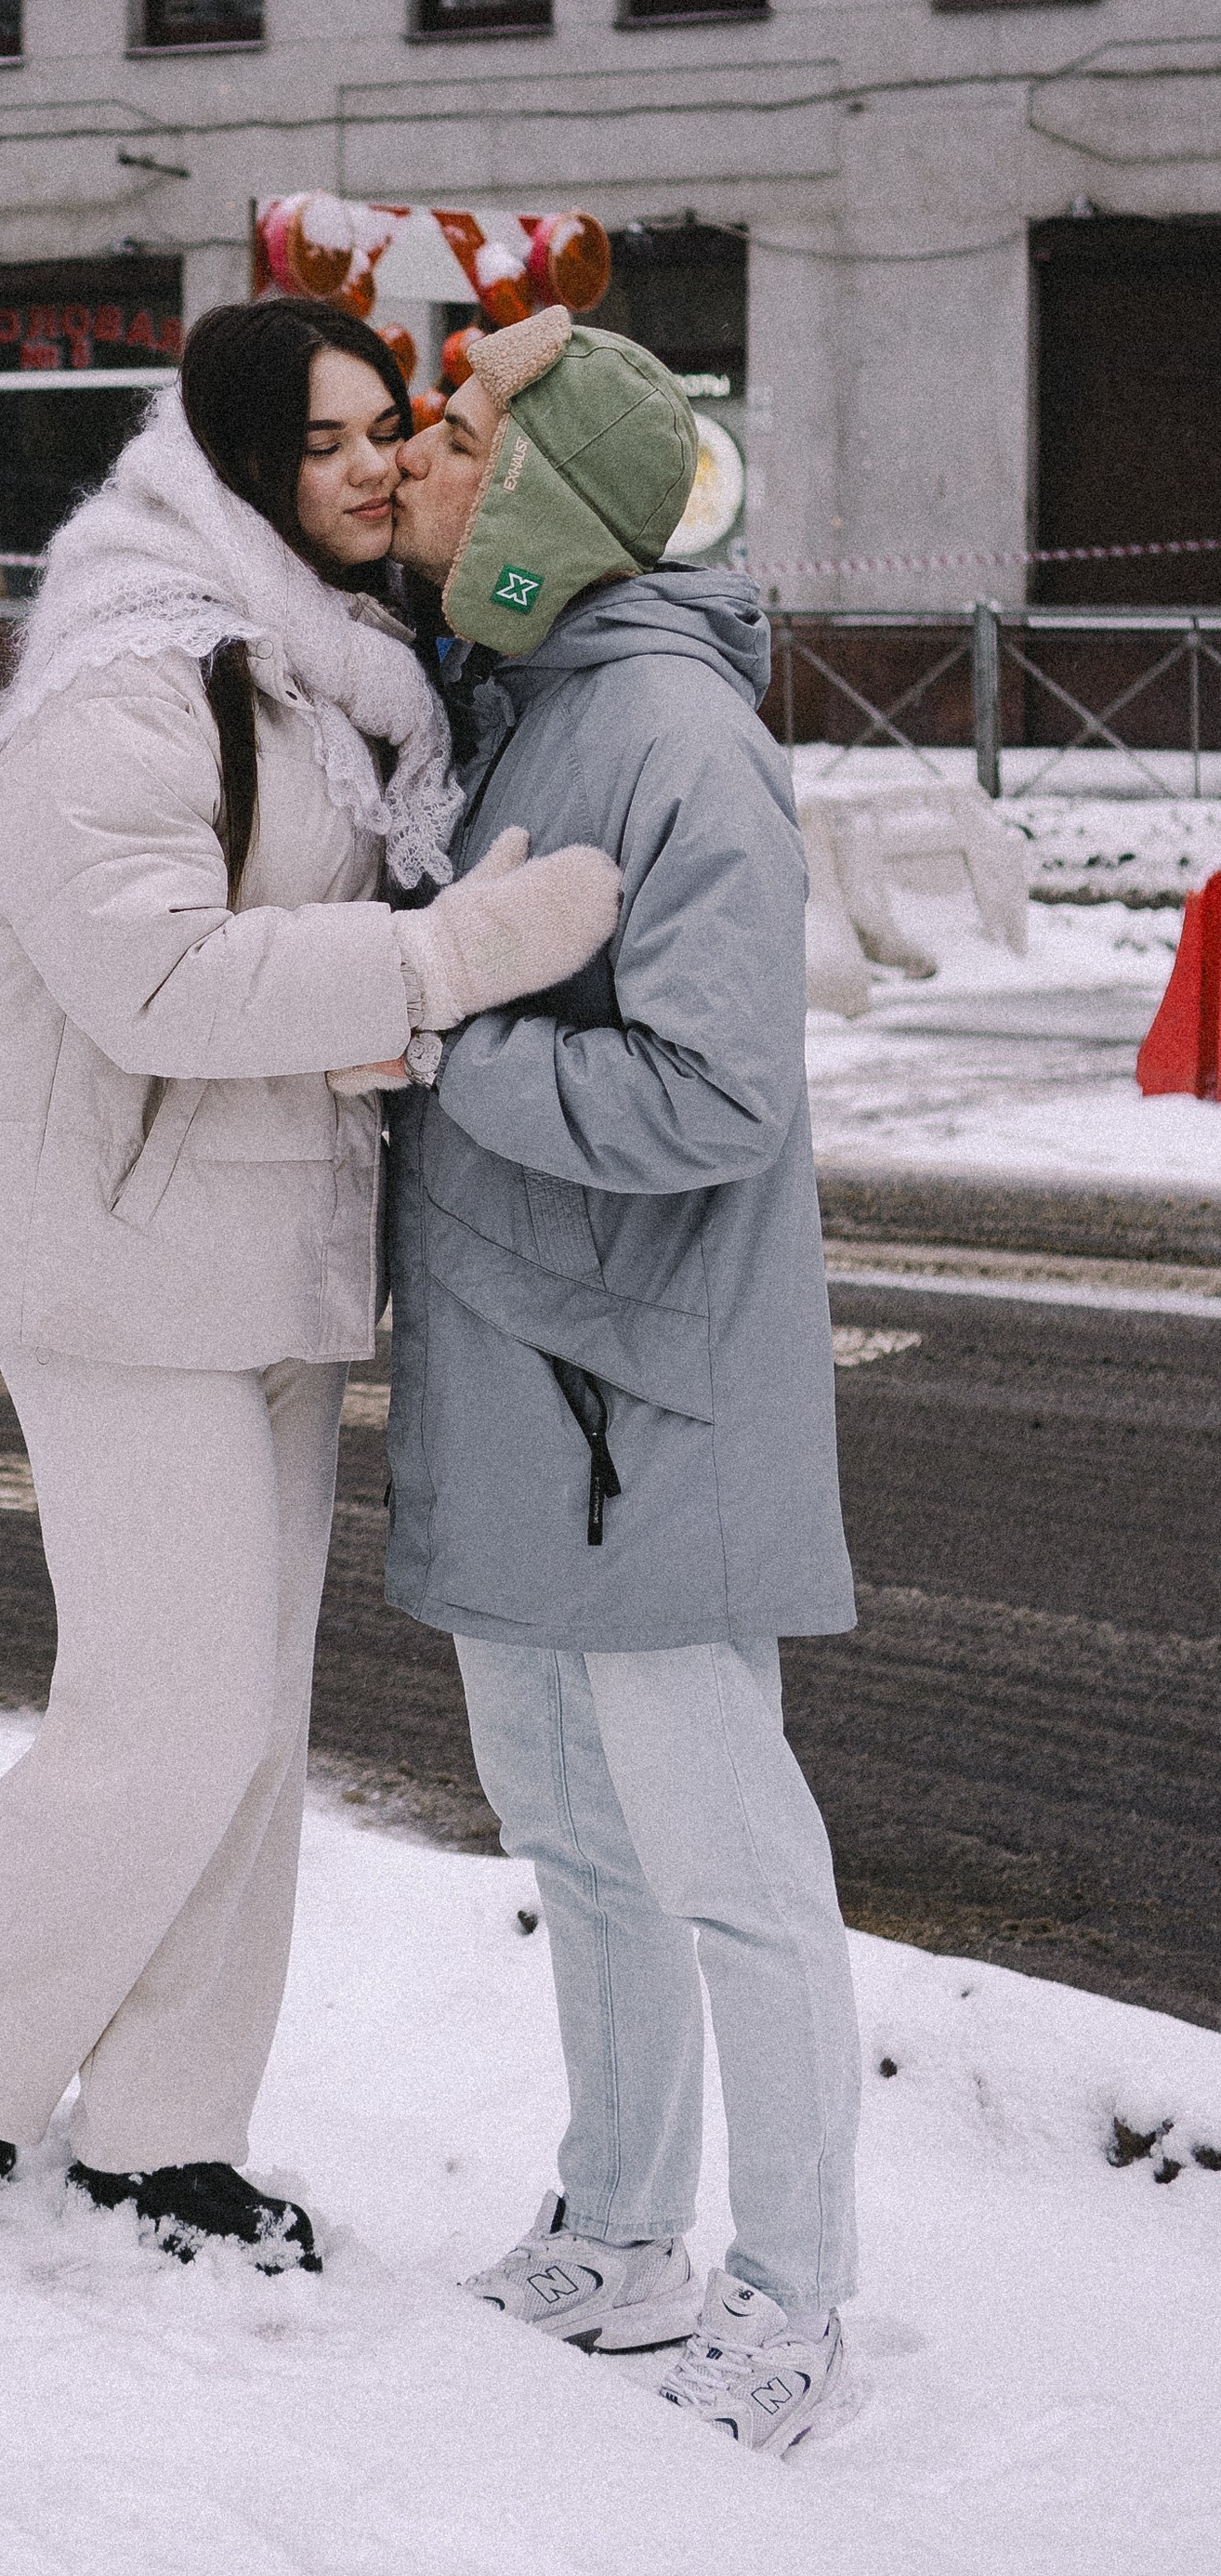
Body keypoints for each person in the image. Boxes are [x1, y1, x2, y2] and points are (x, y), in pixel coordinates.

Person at [0, 297, 621, 2270]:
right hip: (122, 1263)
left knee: (247, 1728)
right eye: (317, 439)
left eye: (374, 431)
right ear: (237, 461)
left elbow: (291, 949)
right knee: (165, 1715)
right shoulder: (131, 682)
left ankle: (167, 2133)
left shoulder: (328, 678)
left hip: (272, 1256)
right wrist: (439, 963)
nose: (356, 468)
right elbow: (147, 979)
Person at [382, 303, 861, 2456]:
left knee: (723, 1860)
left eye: (465, 427)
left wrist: (447, 1050)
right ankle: (614, 2225)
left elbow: (716, 1094)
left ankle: (788, 2294)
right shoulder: (515, 710)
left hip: (641, 1404)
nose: (423, 448)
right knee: (571, 1838)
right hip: (521, 1378)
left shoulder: (668, 734)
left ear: (550, 498)